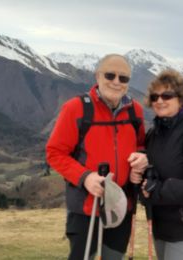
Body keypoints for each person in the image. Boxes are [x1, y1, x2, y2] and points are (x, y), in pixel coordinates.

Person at [46, 54, 148, 260]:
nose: (116, 82)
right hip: (86, 207)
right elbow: (55, 152)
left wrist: (143, 158)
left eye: (123, 78)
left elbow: (141, 145)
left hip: (122, 205)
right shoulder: (77, 108)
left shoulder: (134, 110)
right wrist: (85, 177)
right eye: (110, 75)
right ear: (97, 76)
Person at [130, 69, 183, 260]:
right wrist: (141, 173)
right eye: (155, 97)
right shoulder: (155, 132)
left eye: (167, 95)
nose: (160, 101)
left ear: (181, 98)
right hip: (160, 223)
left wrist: (157, 190)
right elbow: (156, 169)